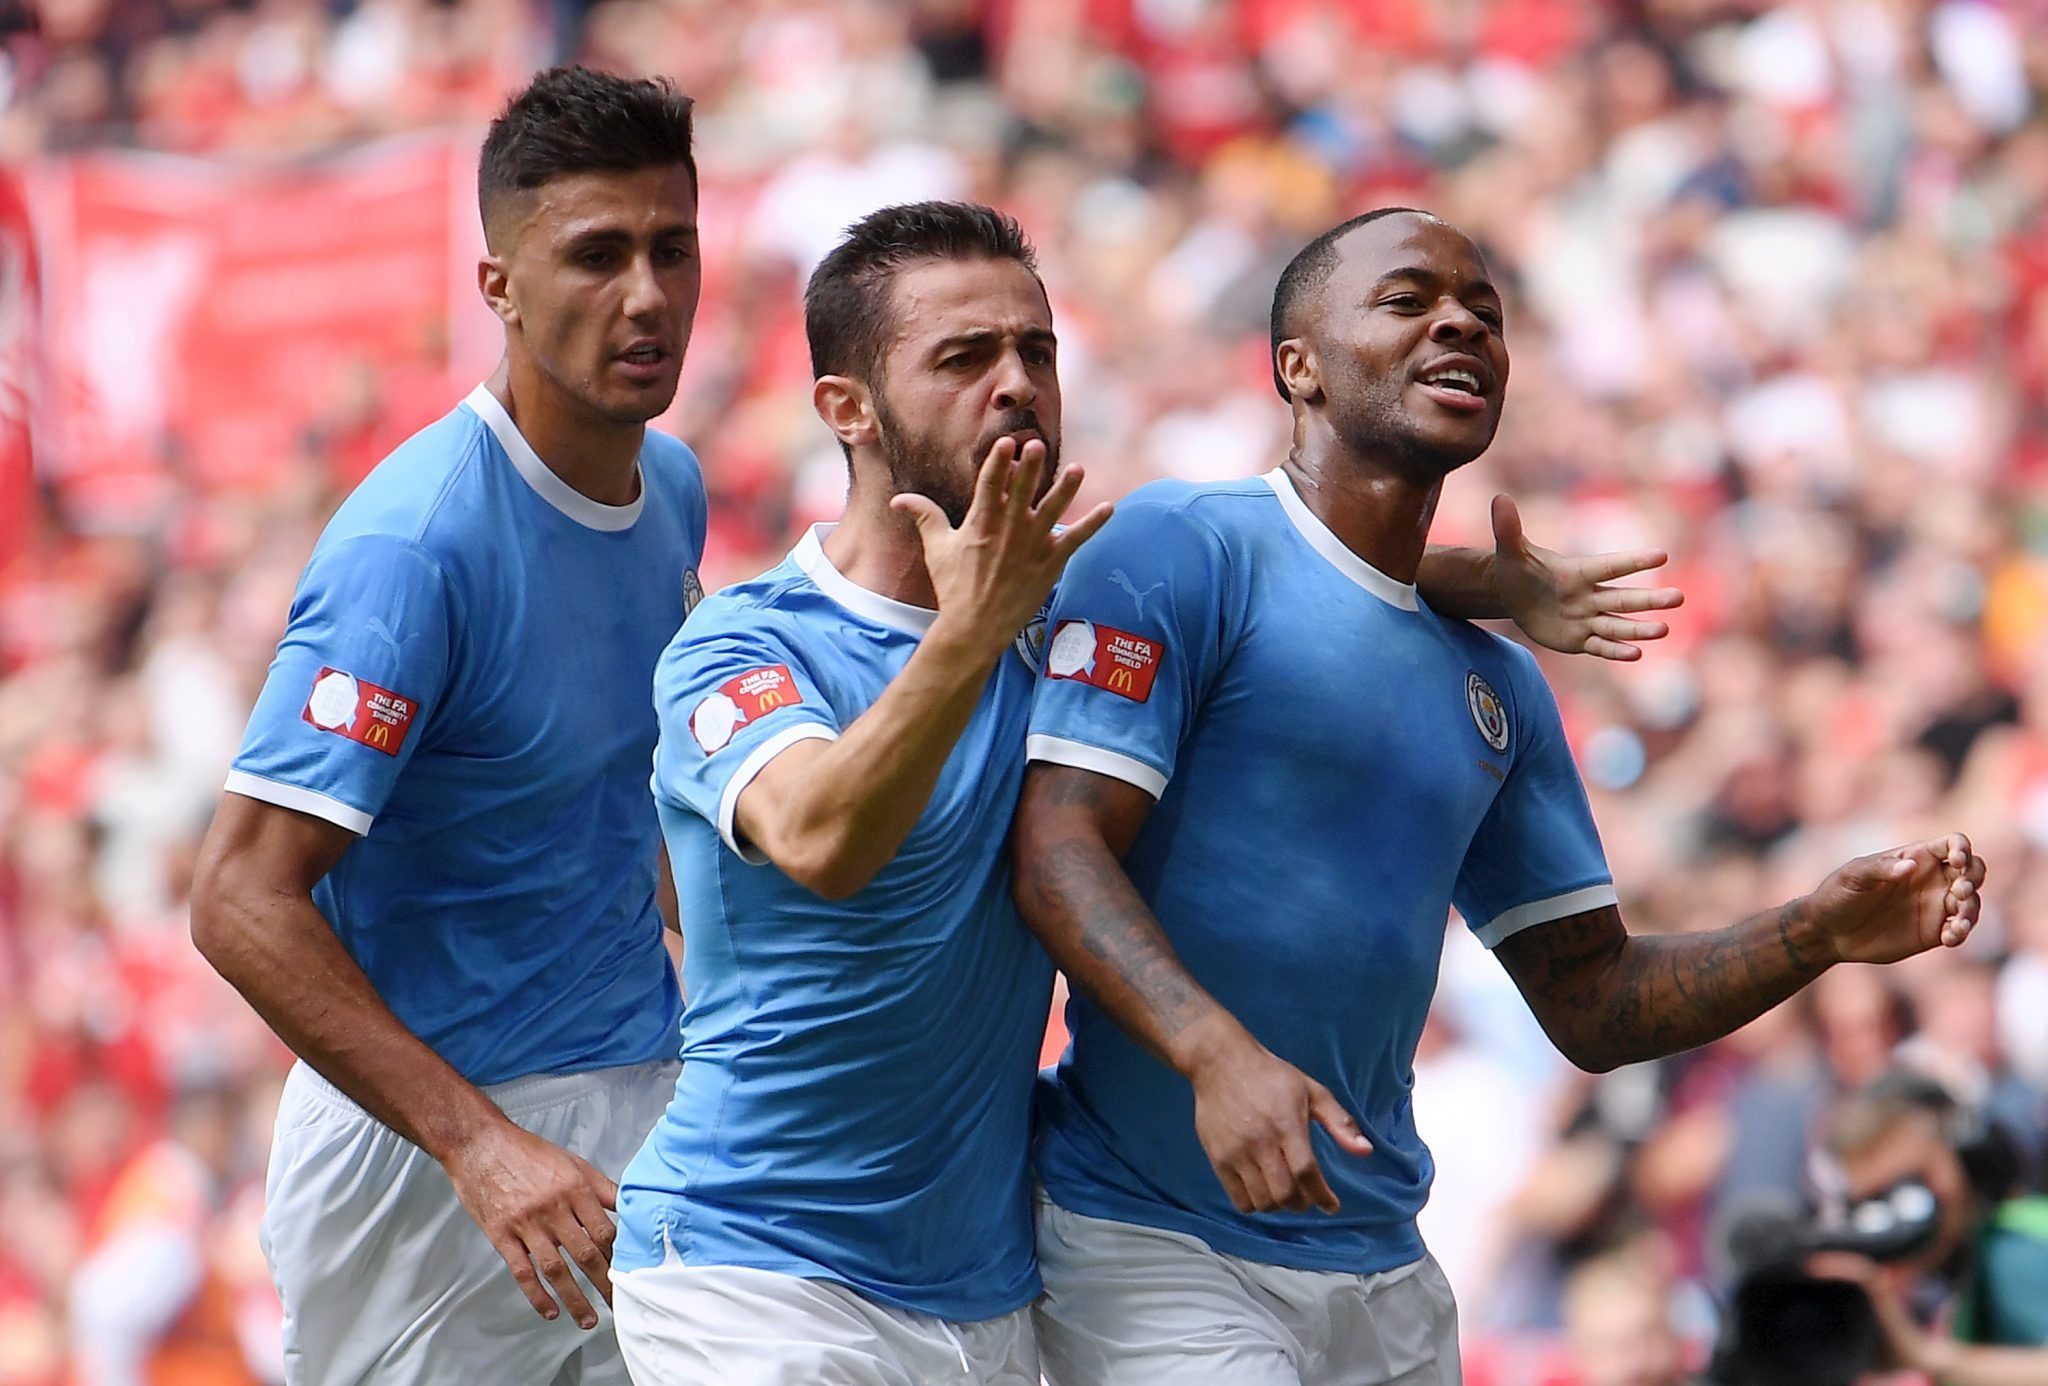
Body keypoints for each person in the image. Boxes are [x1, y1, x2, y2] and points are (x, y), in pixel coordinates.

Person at [606, 200, 1683, 1384]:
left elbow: (1276, 571)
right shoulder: (748, 644)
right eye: (963, 359)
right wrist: (967, 637)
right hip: (752, 1268)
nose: (1015, 386)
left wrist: (1480, 582)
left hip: (983, 1294)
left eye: (1036, 351)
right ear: (845, 408)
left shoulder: (1059, 625)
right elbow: (821, 838)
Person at [1008, 206, 1990, 1386]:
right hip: (1151, 1241)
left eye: (1483, 310)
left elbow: (1593, 1002)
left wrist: (1810, 934)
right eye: (1407, 299)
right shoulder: (1179, 544)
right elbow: (1055, 845)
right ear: (1297, 366)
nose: (1459, 323)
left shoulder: (1499, 684)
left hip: (1385, 1271)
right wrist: (1215, 1054)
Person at [189, 66, 705, 1385]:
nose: (647, 294)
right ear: (500, 286)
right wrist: (478, 1144)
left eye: (671, 248)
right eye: (596, 255)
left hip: (640, 1097)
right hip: (431, 1158)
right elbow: (239, 897)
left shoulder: (671, 489)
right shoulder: (414, 548)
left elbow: (625, 793)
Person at [1807, 1070, 2048, 1385]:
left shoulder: (2014, 1250)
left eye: (1912, 1183)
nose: (1905, 1215)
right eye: (1877, 1200)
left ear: (1966, 1157)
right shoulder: (1962, 1271)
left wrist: (1926, 1356)